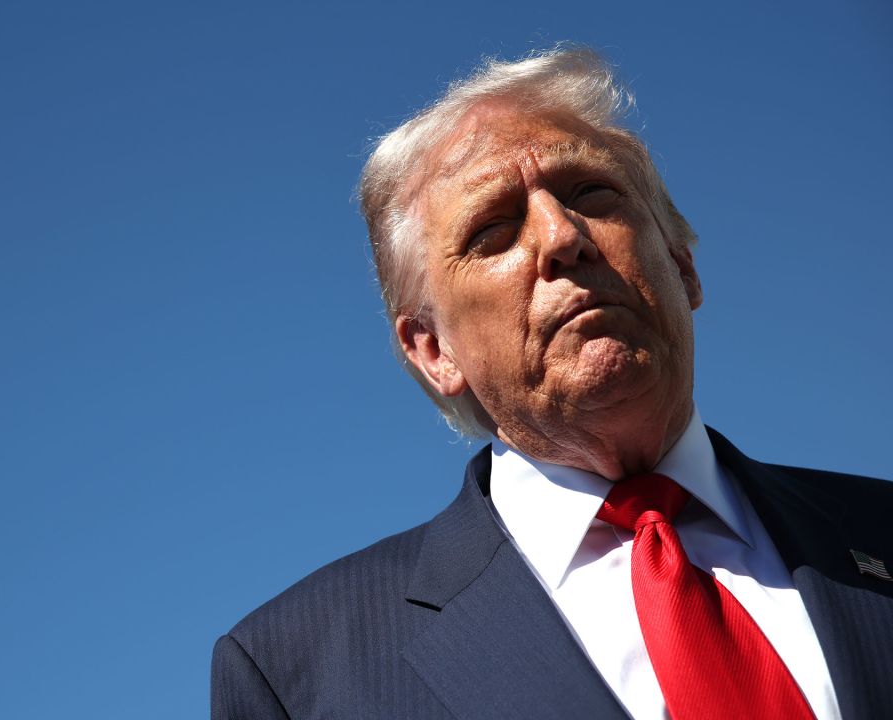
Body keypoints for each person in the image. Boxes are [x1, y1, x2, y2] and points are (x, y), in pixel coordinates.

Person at [211, 47, 893, 720]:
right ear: (434, 350)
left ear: (683, 266)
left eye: (591, 194)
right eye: (493, 230)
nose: (563, 236)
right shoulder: (299, 671)